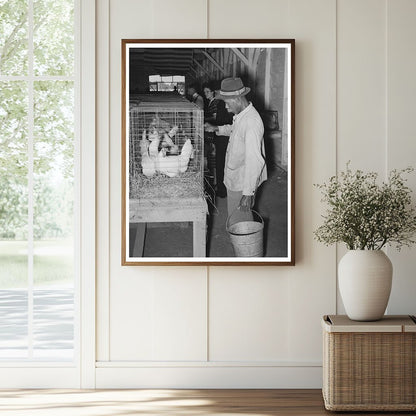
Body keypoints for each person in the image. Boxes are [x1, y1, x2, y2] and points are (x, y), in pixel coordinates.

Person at [204, 77, 267, 220]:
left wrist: (248, 193)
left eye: (227, 103)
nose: (226, 107)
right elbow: (236, 130)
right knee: (235, 218)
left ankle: (243, 242)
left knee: (240, 222)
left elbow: (255, 160)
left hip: (242, 182)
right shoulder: (242, 116)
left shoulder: (251, 122)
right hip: (235, 177)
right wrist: (216, 128)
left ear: (237, 99)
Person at [202, 81, 232, 198]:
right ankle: (222, 188)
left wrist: (212, 127)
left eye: (218, 92)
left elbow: (222, 122)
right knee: (222, 165)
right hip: (222, 136)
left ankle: (222, 190)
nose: (218, 93)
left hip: (224, 138)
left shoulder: (222, 104)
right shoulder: (221, 103)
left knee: (222, 165)